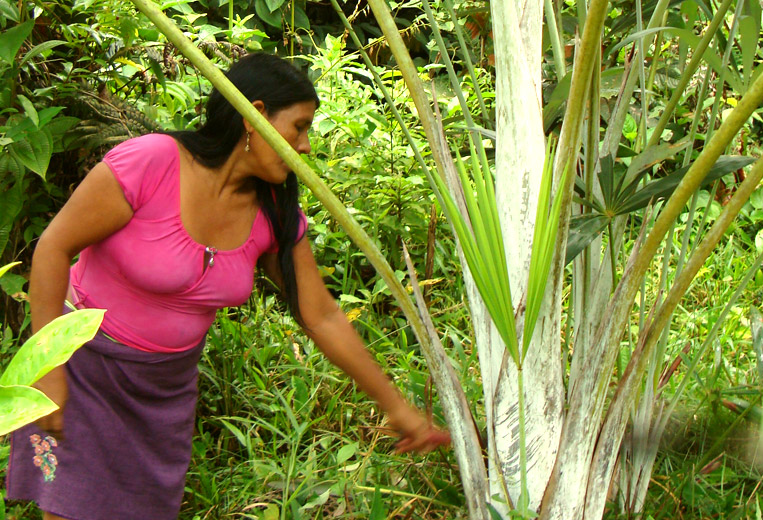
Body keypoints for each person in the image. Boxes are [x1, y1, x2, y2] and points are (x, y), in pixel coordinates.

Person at [5, 52, 450, 520]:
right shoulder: (153, 161)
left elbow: (321, 315)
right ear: (253, 117)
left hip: (165, 394)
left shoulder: (274, 215)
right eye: (299, 127)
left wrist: (395, 406)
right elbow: (53, 248)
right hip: (85, 372)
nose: (306, 146)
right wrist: (47, 373)